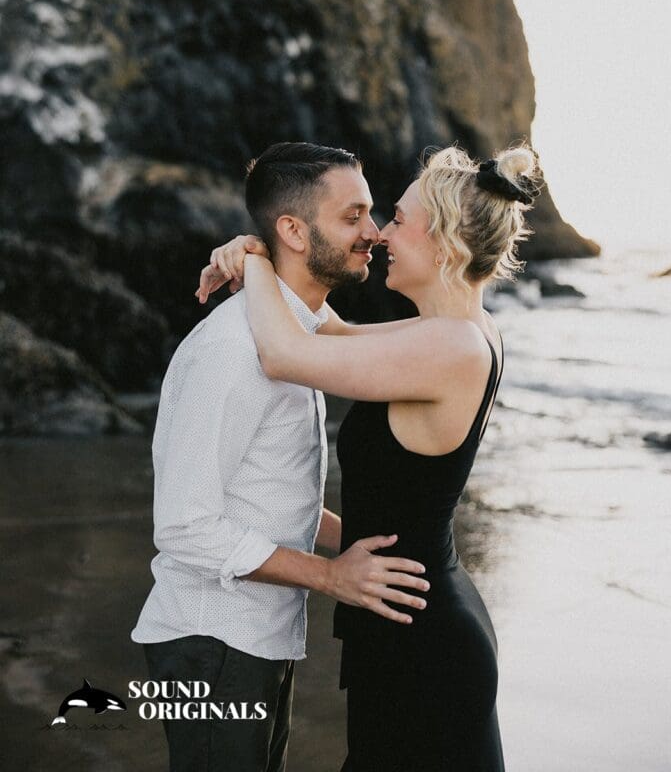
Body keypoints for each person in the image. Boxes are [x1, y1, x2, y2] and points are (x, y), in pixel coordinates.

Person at [199, 142, 541, 772]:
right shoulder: (458, 329)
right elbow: (334, 334)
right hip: (413, 617)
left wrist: (253, 266)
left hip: (423, 642)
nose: (381, 234)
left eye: (401, 221)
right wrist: (266, 258)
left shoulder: (453, 347)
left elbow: (285, 355)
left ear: (443, 244)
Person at [132, 142, 430, 772]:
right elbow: (185, 526)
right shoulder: (232, 351)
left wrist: (361, 548)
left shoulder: (299, 334)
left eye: (372, 215)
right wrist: (330, 576)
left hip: (255, 636)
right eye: (353, 217)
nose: (373, 235)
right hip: (208, 644)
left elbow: (271, 487)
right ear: (292, 231)